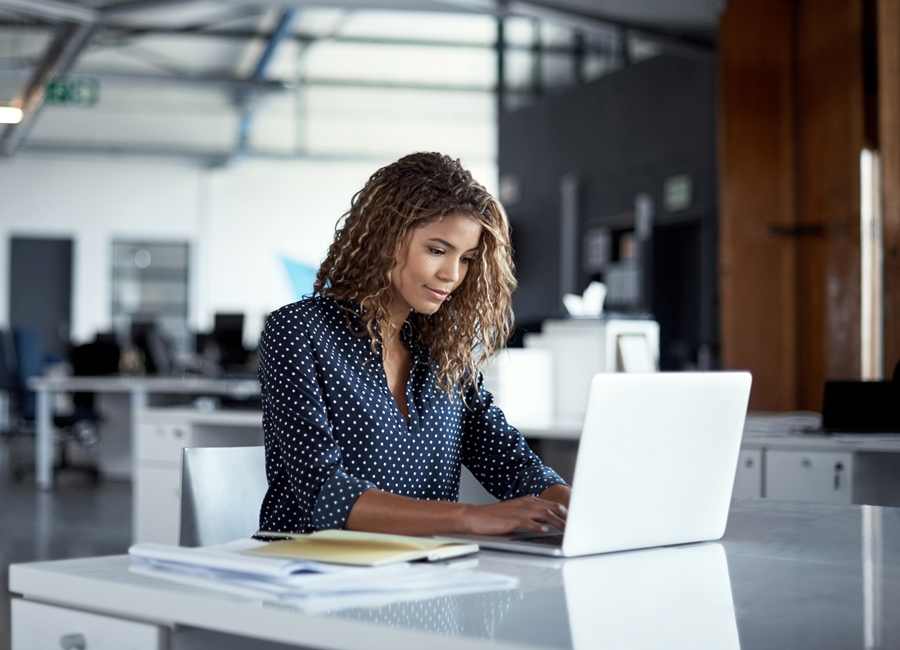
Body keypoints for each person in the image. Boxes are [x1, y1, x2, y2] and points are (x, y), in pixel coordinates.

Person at [258, 152, 571, 537]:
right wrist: (469, 517)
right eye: (437, 250)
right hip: (313, 575)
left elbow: (512, 464)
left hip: (425, 578)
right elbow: (325, 494)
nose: (452, 275)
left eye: (468, 259)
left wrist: (578, 510)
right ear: (383, 239)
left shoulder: (442, 350)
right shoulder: (298, 331)